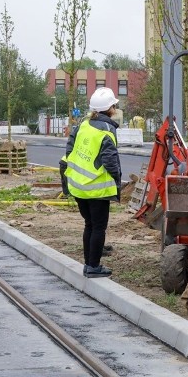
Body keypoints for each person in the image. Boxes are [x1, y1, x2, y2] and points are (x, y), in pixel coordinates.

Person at [59, 87, 122, 277]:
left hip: (78, 185)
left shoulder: (83, 124)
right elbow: (110, 161)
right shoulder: (107, 130)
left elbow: (70, 151)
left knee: (89, 225)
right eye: (114, 105)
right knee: (99, 227)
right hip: (96, 189)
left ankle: (88, 264)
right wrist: (117, 181)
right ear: (110, 108)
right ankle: (93, 266)